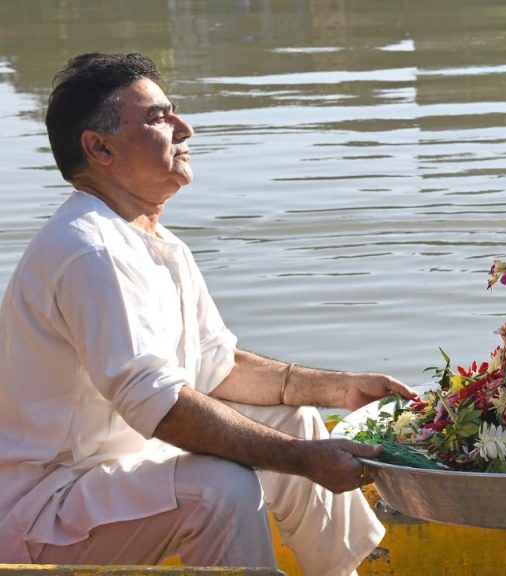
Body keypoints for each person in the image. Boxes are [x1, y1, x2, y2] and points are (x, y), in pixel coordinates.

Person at [0, 52, 417, 574]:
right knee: (222, 489)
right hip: (47, 507)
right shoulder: (90, 250)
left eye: (174, 112)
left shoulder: (156, 242)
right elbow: (164, 408)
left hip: (123, 473)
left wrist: (340, 389)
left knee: (301, 422)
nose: (184, 127)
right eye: (158, 117)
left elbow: (216, 368)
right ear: (99, 147)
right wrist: (302, 461)